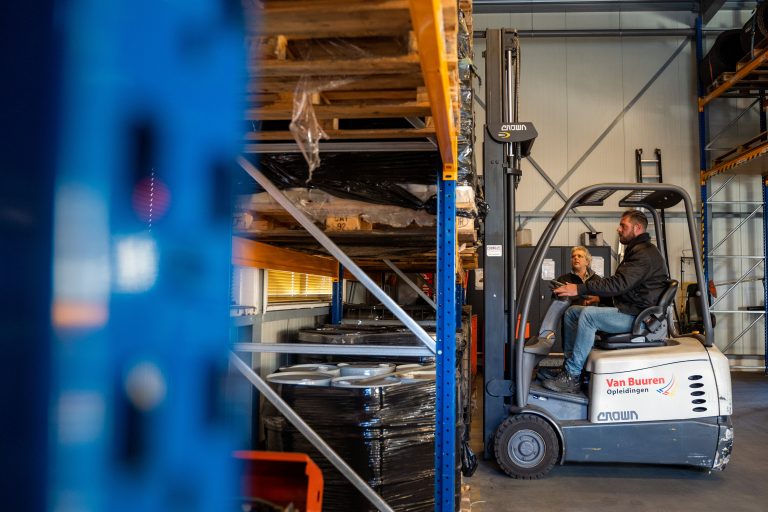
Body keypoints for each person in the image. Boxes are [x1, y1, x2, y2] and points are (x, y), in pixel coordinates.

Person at [542, 210, 669, 394]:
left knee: (588, 316)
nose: (618, 229)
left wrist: (579, 289)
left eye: (623, 226)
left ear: (637, 228)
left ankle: (572, 376)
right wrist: (601, 297)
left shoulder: (644, 254)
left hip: (637, 316)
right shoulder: (637, 251)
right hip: (630, 308)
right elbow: (629, 287)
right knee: (572, 312)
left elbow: (619, 284)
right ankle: (570, 367)